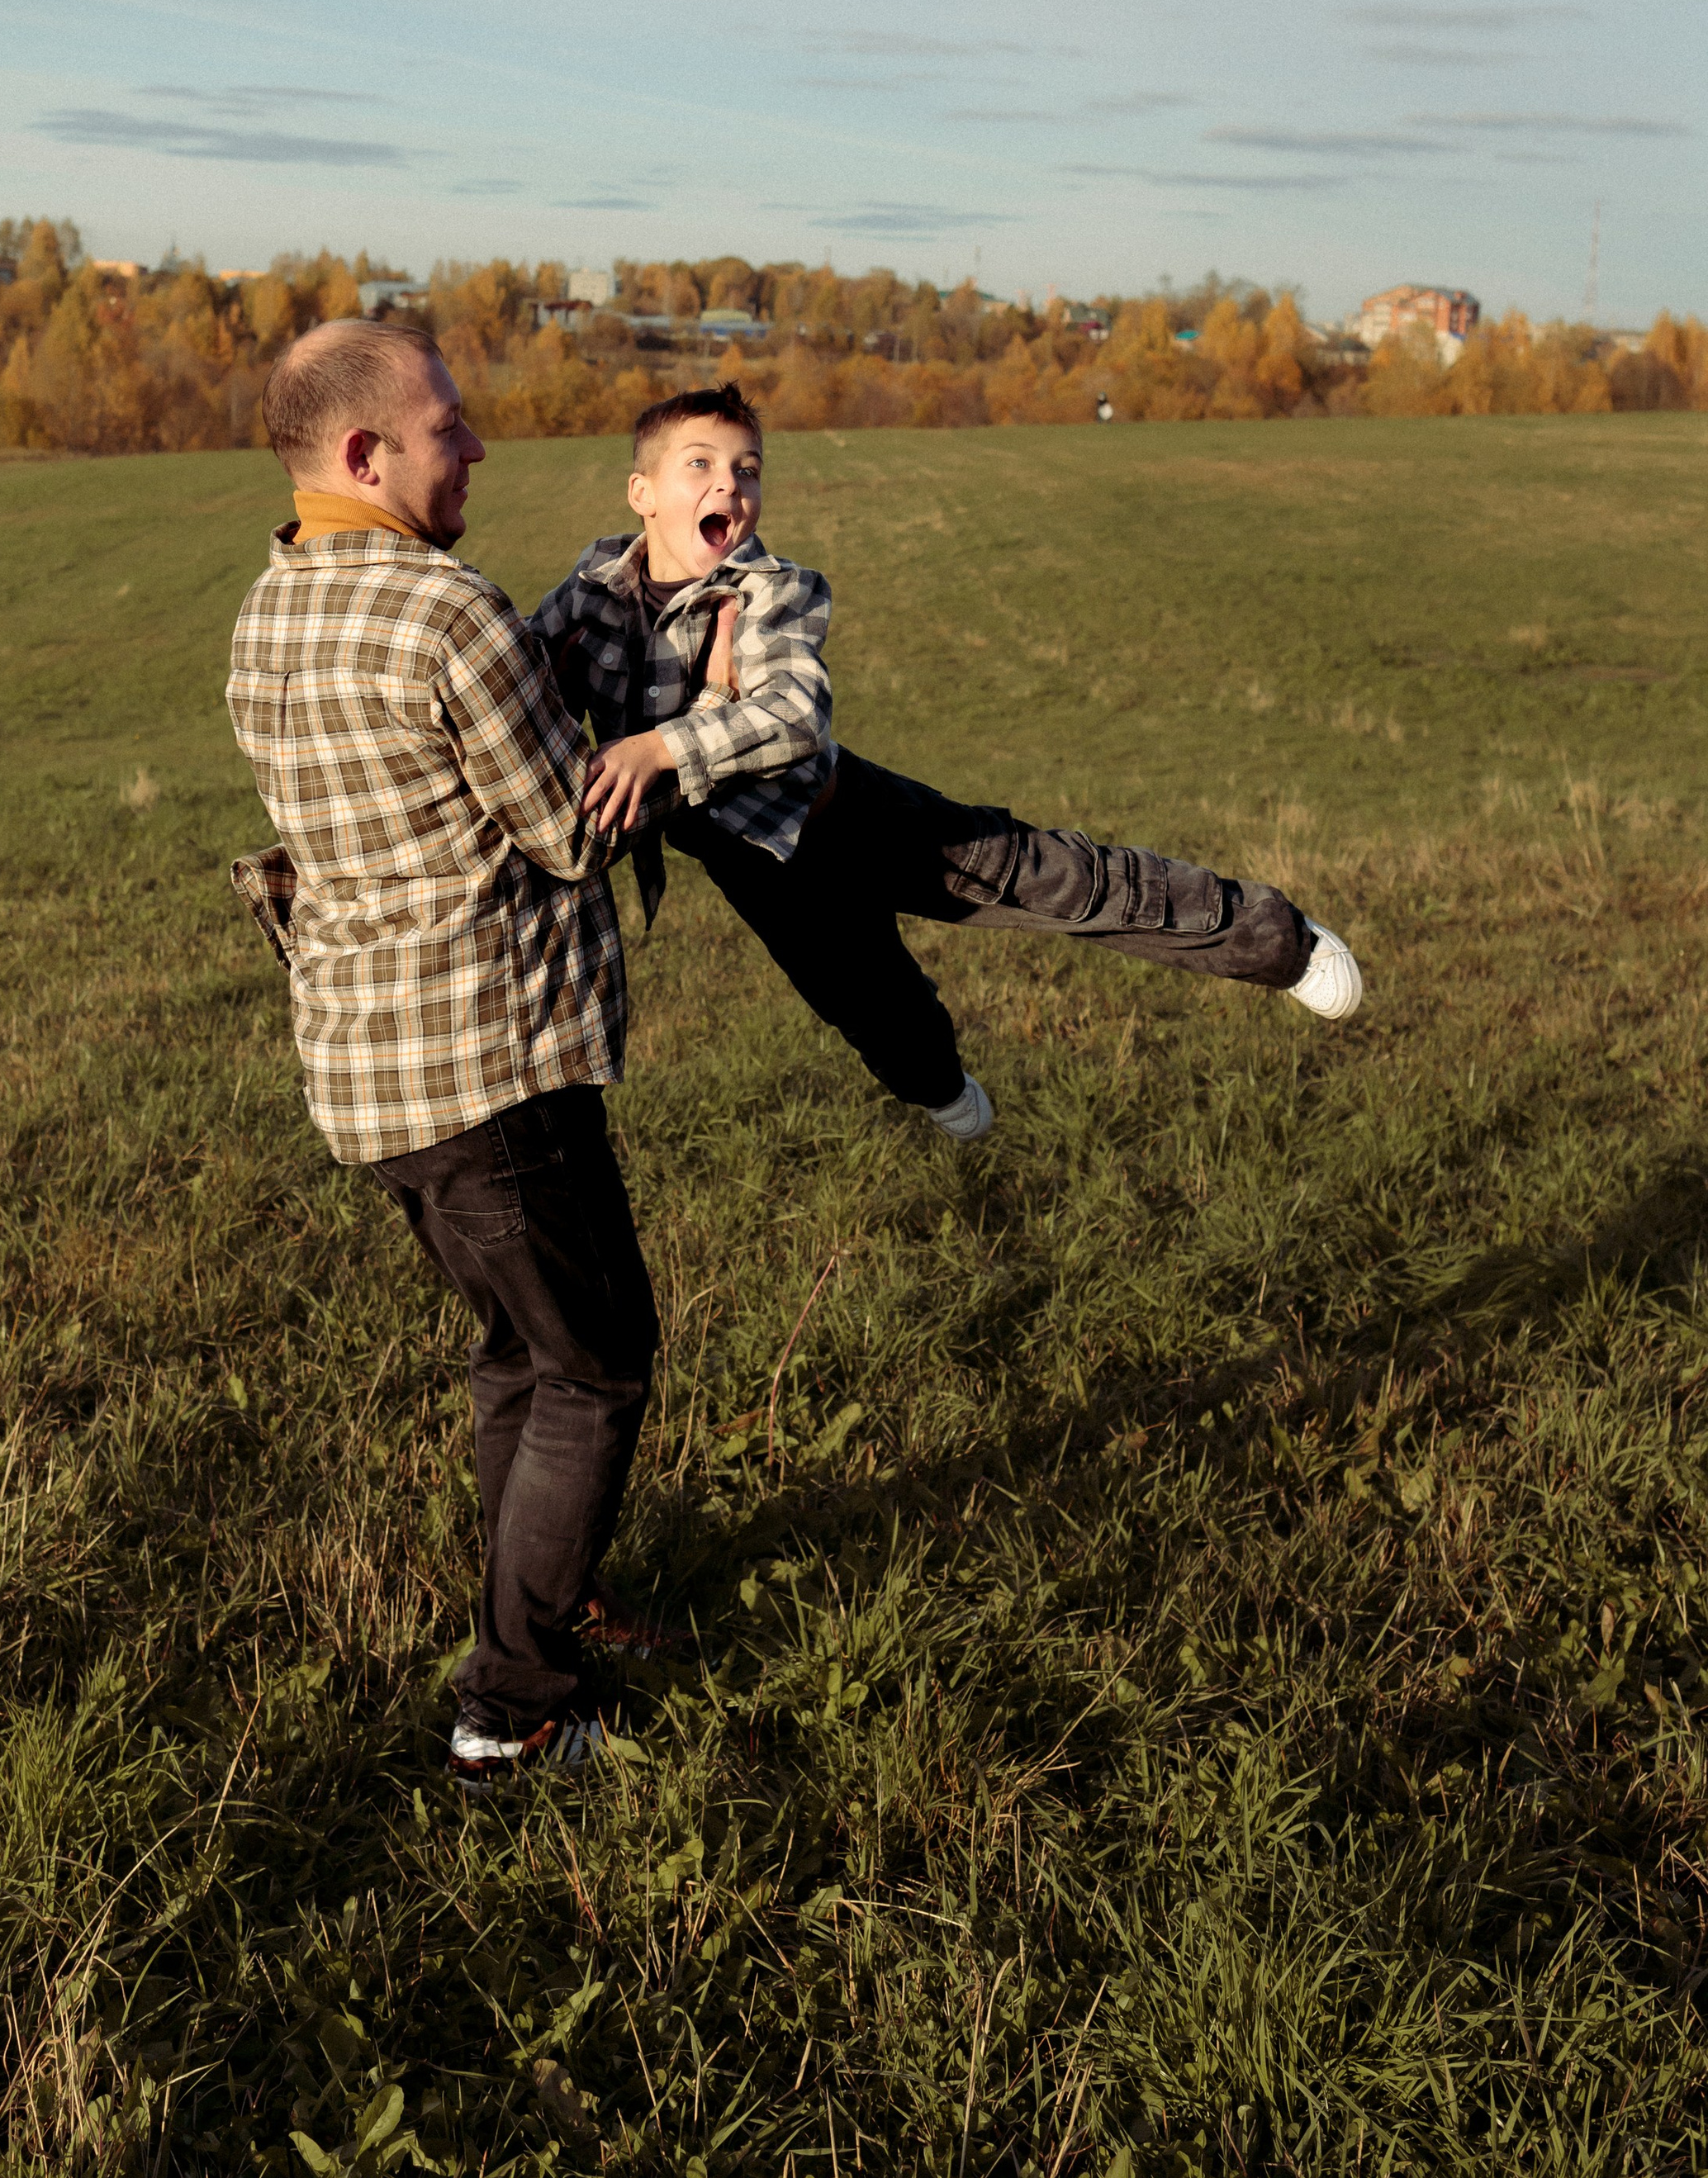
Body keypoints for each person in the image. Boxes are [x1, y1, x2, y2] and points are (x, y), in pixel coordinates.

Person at [225, 320, 670, 1792]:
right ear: (365, 455)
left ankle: (542, 1588)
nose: (476, 446)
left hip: (368, 1080)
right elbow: (564, 827)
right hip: (490, 1071)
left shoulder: (267, 608)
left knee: (518, 1355)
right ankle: (513, 1704)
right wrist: (695, 727)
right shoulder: (447, 615)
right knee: (598, 1367)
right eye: (449, 427)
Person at [531, 382, 1361, 1142]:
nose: (730, 486)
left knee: (1058, 879)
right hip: (759, 870)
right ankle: (940, 1090)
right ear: (640, 493)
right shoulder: (593, 587)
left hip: (858, 818)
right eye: (700, 464)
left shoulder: (772, 589)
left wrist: (659, 746)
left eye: (748, 470)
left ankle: (1277, 941)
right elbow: (523, 673)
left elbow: (793, 712)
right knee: (865, 1002)